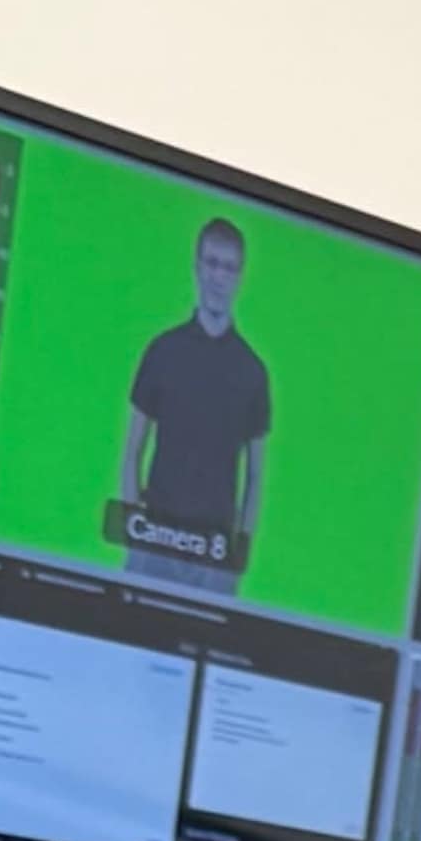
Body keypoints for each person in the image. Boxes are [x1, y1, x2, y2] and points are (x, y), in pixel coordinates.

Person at [115, 215, 270, 586]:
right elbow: (132, 451)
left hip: (213, 555)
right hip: (155, 540)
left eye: (229, 268)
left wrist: (240, 550)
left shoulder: (252, 372)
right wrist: (135, 530)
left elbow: (255, 475)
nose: (219, 276)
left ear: (240, 276)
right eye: (212, 263)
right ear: (197, 266)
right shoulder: (162, 351)